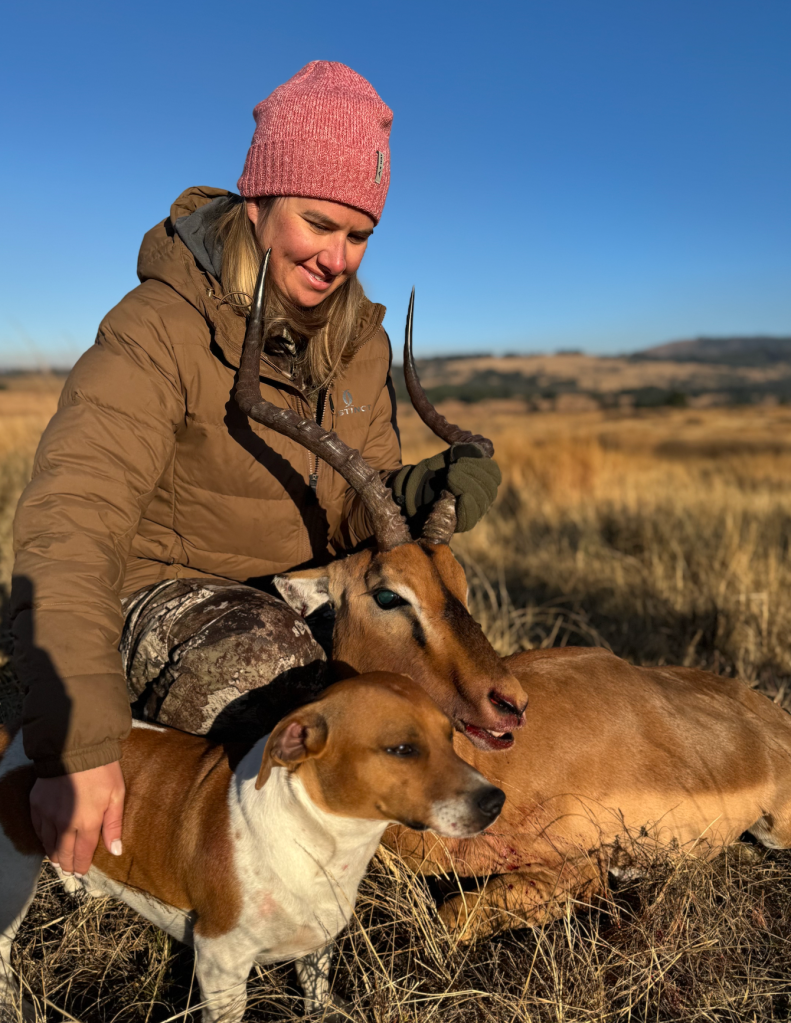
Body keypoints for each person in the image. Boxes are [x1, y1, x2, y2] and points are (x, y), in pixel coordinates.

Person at [11, 62, 501, 878]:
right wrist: (78, 744)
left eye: (358, 235)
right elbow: (72, 526)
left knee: (426, 672)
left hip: (299, 591)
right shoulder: (158, 327)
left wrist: (416, 492)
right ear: (258, 203)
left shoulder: (358, 341)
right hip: (160, 591)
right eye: (318, 222)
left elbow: (358, 505)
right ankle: (222, 872)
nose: (337, 257)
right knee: (285, 682)